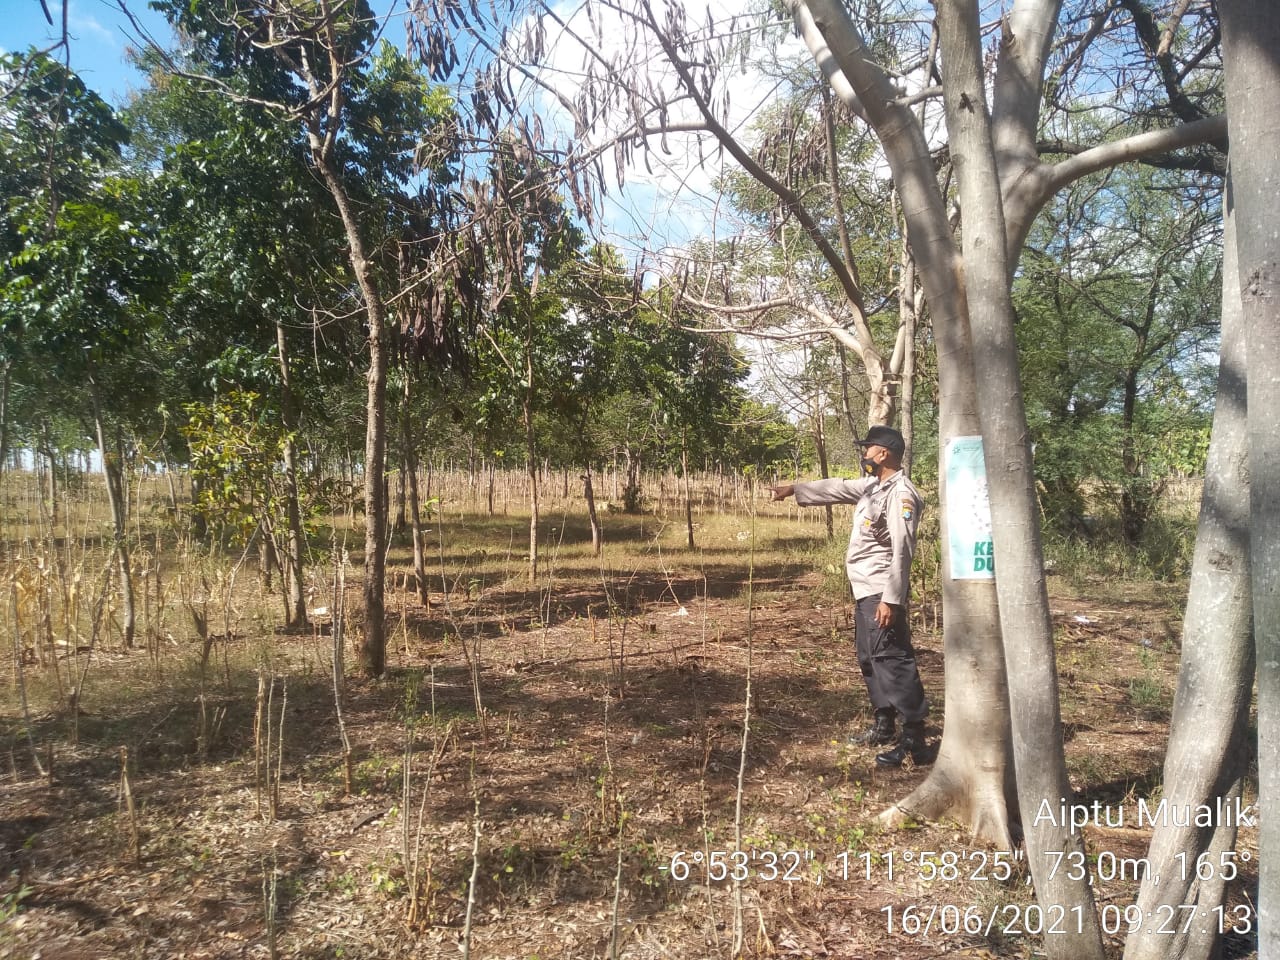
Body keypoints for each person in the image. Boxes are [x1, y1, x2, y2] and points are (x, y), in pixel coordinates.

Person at [770, 425, 931, 767]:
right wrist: (794, 489)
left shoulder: (901, 494)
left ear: (883, 453)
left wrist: (892, 599)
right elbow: (838, 487)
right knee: (868, 657)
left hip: (881, 590)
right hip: (865, 588)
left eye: (868, 449)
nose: (864, 454)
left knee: (892, 657)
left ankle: (914, 738)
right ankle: (884, 724)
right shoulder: (874, 486)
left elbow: (903, 550)